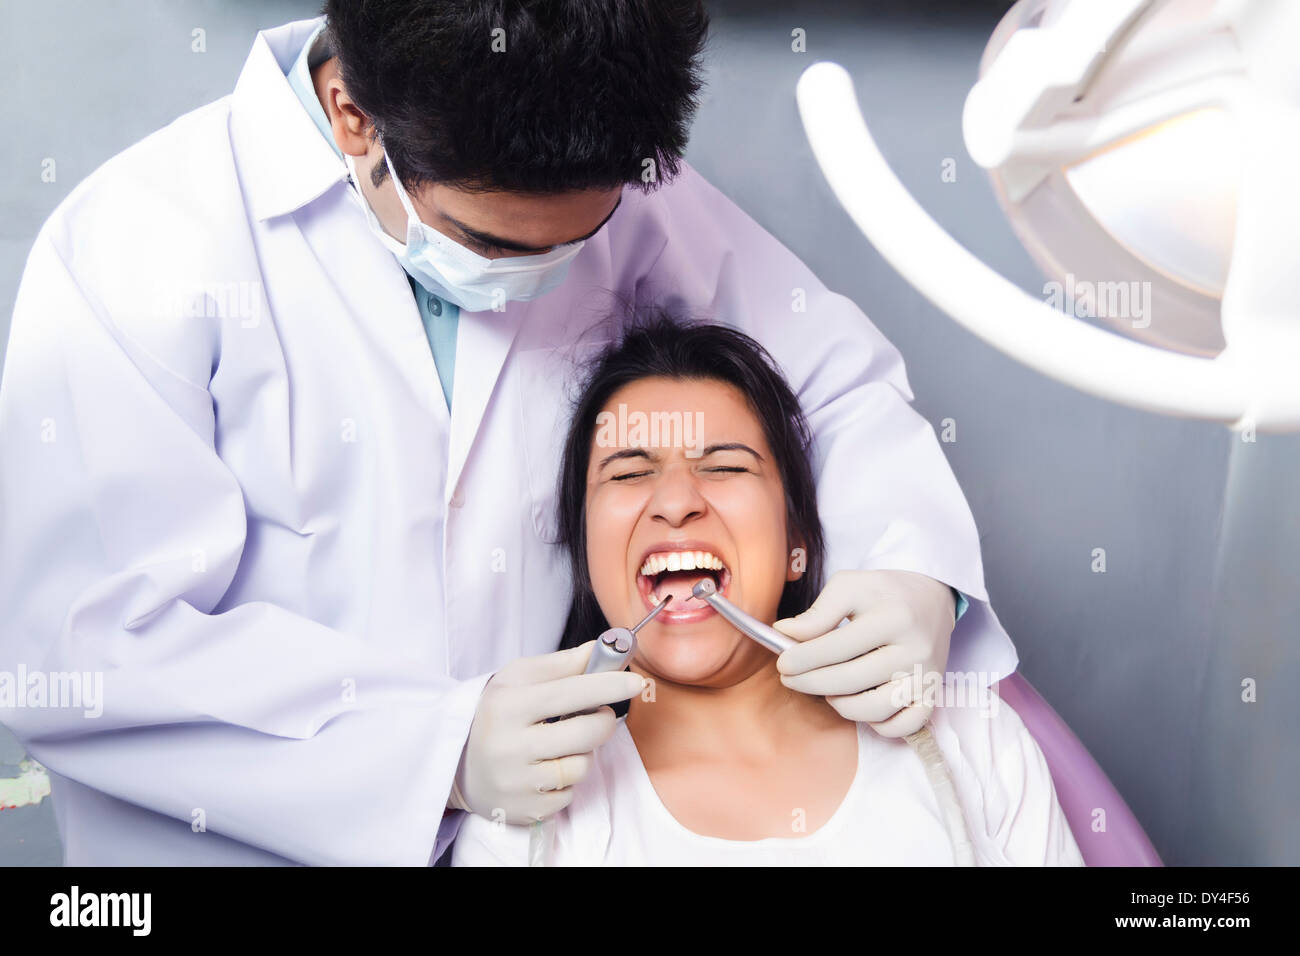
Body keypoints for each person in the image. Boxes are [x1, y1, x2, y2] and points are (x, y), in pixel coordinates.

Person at [0, 3, 1017, 865]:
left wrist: (910, 570)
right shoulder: (139, 244)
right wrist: (434, 748)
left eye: (581, 237)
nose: (547, 269)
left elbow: (830, 385)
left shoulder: (614, 186)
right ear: (354, 116)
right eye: (493, 243)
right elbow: (77, 647)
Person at [452, 312, 1082, 865]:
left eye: (725, 467)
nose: (675, 503)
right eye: (630, 471)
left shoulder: (975, 736)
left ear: (796, 545)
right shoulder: (528, 806)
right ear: (588, 553)